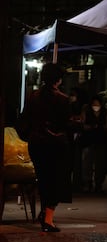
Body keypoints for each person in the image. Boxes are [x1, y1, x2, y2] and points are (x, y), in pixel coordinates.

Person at [17, 63, 73, 232]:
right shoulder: (62, 99)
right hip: (55, 145)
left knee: (43, 179)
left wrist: (31, 135)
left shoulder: (33, 96)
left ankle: (45, 215)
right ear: (58, 80)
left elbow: (23, 120)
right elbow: (66, 124)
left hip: (36, 144)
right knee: (55, 180)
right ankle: (48, 219)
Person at [79, 94, 107, 194]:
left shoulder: (105, 112)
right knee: (87, 163)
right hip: (88, 140)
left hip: (100, 140)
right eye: (94, 104)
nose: (96, 106)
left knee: (100, 164)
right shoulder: (86, 111)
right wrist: (90, 127)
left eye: (97, 104)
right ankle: (87, 183)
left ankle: (98, 184)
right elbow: (83, 124)